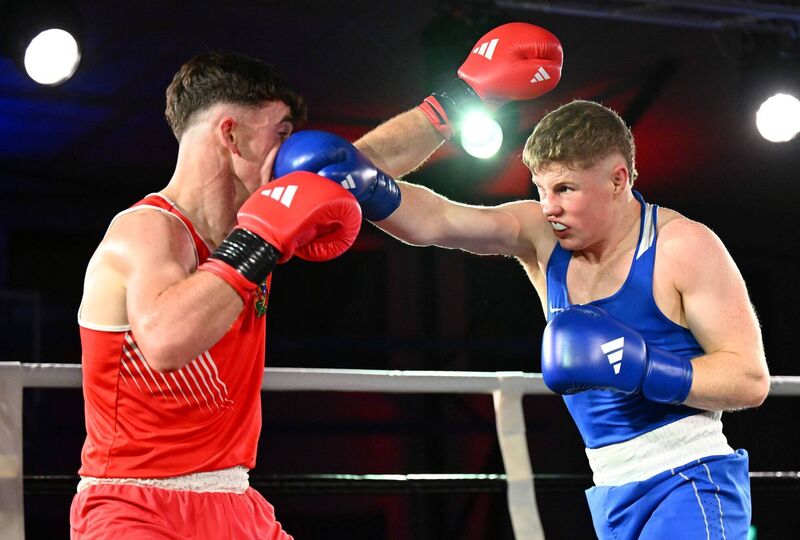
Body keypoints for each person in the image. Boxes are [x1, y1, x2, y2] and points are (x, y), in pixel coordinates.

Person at [273, 43, 770, 540]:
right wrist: (366, 185)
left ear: (619, 179)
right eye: (540, 189)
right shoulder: (539, 235)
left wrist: (643, 366)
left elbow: (749, 380)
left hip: (691, 479)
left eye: (565, 189)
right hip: (612, 489)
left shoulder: (683, 245)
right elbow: (439, 220)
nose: (548, 206)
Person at [69, 50, 363, 539]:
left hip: (235, 500)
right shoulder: (146, 231)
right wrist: (259, 243)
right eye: (282, 133)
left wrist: (451, 105)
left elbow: (356, 165)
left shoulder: (254, 224)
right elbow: (164, 342)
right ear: (230, 135)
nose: (292, 153)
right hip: (137, 508)